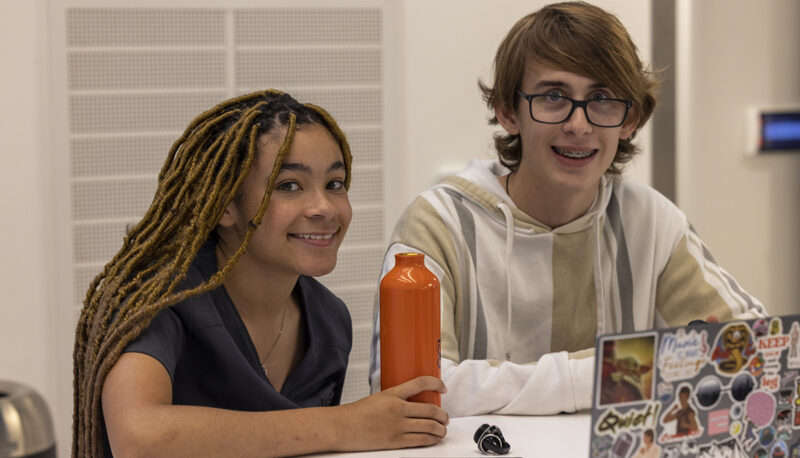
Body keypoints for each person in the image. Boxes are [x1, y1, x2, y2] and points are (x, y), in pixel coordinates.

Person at [368, 1, 765, 417]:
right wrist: (609, 375)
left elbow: (753, 353)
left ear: (629, 120)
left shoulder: (652, 222)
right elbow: (407, 396)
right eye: (554, 96)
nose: (579, 124)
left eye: (602, 98)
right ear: (508, 111)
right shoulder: (437, 224)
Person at [73, 90, 448, 458]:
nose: (324, 208)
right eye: (289, 186)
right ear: (225, 206)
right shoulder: (157, 298)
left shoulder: (330, 319)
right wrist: (343, 425)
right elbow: (139, 439)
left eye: (334, 184)